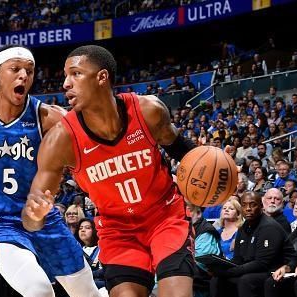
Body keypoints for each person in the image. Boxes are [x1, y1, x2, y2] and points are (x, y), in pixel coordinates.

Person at [22, 45, 196, 297]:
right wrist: (35, 214)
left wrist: (216, 176)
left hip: (165, 217)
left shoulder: (148, 111)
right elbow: (31, 222)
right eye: (65, 76)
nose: (66, 84)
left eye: (75, 74)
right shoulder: (60, 140)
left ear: (102, 77)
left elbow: (185, 152)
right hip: (118, 230)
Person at [0, 45, 101, 297]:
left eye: (29, 70)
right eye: (15, 69)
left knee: (87, 293)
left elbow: (93, 146)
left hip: (44, 219)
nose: (23, 76)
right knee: (38, 290)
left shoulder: (48, 116)